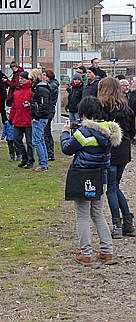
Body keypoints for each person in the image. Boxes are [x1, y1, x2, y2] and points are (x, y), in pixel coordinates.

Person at [60, 96, 121, 265]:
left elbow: (67, 149)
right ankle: (107, 251)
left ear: (84, 113)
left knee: (82, 216)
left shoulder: (83, 133)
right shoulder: (109, 129)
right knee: (98, 213)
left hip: (82, 176)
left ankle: (86, 253)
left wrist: (65, 133)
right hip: (100, 176)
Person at [98, 77, 136, 239]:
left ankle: (117, 224)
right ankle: (128, 223)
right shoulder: (126, 108)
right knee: (116, 186)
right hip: (124, 149)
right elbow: (132, 131)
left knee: (111, 189)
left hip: (111, 151)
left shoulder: (102, 109)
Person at [8, 71, 35, 168]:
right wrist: (11, 118)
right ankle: (25, 157)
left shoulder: (32, 92)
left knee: (30, 142)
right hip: (18, 120)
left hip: (28, 120)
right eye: (19, 79)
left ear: (27, 80)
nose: (20, 80)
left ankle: (30, 160)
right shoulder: (17, 93)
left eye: (22, 79)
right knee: (16, 139)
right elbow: (13, 107)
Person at [28, 68, 51, 172]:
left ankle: (43, 164)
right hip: (41, 117)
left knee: (37, 141)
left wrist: (37, 116)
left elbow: (44, 105)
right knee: (40, 140)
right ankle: (44, 162)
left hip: (40, 118)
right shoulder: (40, 88)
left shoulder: (41, 89)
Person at [42, 70, 59, 161]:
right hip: (48, 110)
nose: (43, 77)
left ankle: (50, 153)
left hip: (49, 111)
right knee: (46, 131)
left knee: (46, 131)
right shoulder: (49, 84)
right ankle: (49, 152)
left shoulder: (53, 85)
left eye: (45, 75)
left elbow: (48, 89)